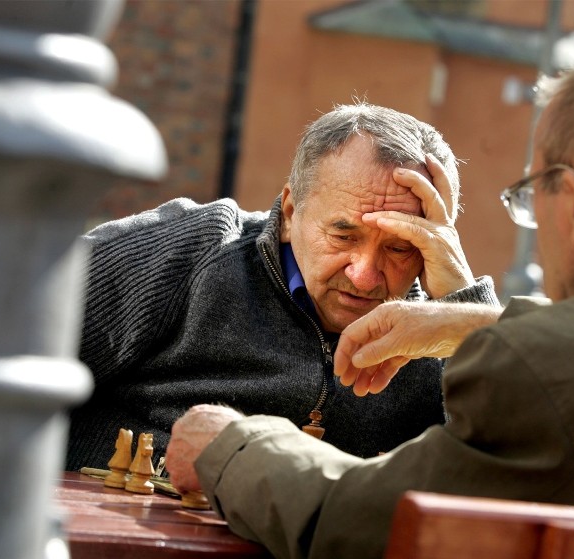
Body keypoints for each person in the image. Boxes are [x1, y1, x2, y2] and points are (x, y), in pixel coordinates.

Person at [166, 44, 574, 559]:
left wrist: (230, 445)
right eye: (343, 233)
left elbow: (359, 527)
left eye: (531, 196)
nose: (364, 271)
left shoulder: (550, 369)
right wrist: (477, 320)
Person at [66, 102, 500, 471]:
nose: (364, 275)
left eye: (401, 248)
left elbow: (522, 477)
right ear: (291, 212)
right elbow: (11, 327)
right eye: (343, 236)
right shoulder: (195, 248)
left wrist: (464, 312)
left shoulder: (443, 339)